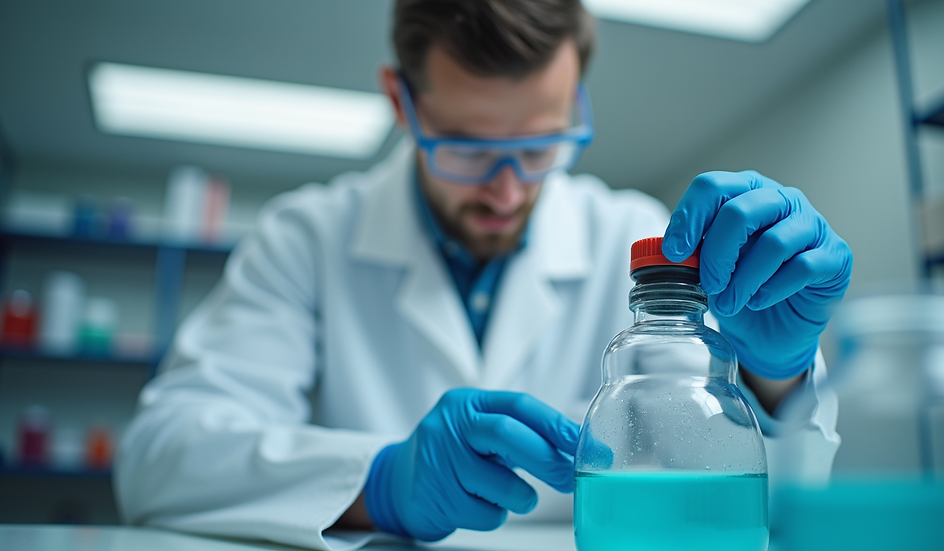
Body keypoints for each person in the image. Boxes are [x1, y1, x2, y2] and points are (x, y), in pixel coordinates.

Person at [115, 1, 851, 549]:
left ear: (578, 101)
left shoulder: (636, 240)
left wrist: (775, 379)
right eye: (467, 149)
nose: (505, 190)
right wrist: (378, 482)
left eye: (539, 145)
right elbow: (159, 455)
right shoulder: (305, 237)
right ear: (402, 102)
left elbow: (773, 513)